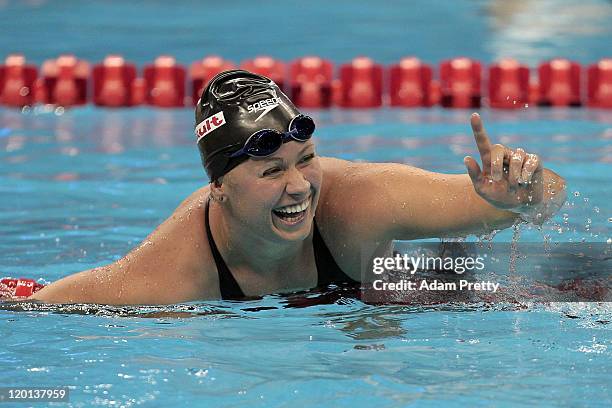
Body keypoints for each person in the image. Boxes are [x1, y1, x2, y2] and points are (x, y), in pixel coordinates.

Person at [30, 70, 566, 304]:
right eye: (270, 172)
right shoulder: (175, 271)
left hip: (396, 290)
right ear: (218, 189)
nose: (299, 187)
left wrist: (523, 194)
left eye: (305, 160)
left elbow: (550, 198)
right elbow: (49, 305)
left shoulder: (361, 200)